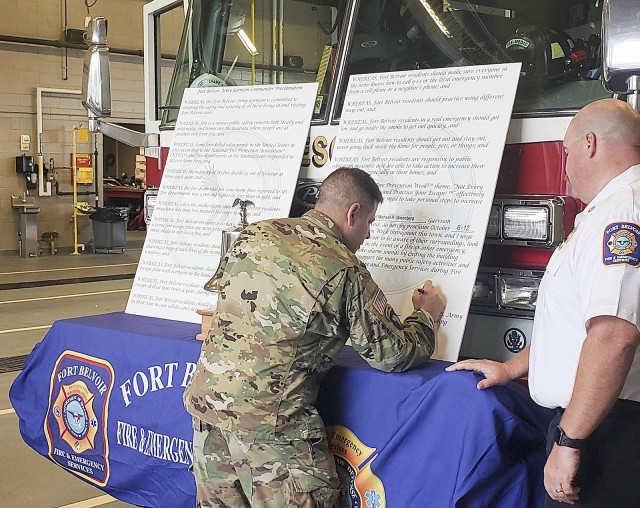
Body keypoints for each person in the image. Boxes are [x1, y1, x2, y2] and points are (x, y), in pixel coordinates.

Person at [184, 167, 446, 507]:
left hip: (209, 417)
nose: (367, 235)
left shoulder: (254, 235)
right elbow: (393, 353)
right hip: (275, 432)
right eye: (369, 222)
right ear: (353, 213)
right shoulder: (343, 268)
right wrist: (426, 314)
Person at [447, 98, 640, 507]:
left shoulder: (621, 216)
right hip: (596, 421)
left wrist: (570, 440)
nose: (565, 167)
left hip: (606, 429)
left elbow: (613, 336)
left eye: (566, 152)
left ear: (590, 144)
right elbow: (577, 328)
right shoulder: (605, 212)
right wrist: (511, 367)